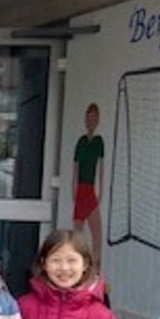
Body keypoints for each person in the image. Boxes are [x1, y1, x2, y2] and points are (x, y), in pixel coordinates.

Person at [71, 104, 105, 266]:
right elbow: (75, 168)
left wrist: (100, 191)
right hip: (80, 189)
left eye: (94, 118)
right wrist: (73, 190)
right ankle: (77, 265)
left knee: (97, 234)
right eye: (89, 118)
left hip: (91, 189)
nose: (91, 121)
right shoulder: (81, 142)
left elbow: (101, 167)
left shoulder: (99, 142)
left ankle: (95, 267)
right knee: (77, 234)